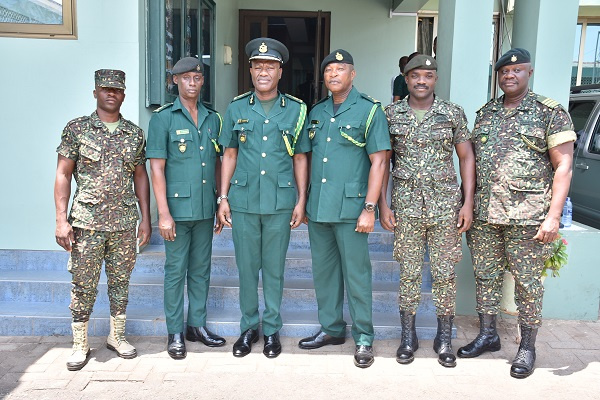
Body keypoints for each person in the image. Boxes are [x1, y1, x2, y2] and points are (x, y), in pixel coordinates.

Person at [458, 48, 576, 379]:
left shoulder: (549, 112)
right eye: (504, 72)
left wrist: (553, 215)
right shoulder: (485, 113)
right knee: (485, 276)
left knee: (527, 283)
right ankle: (488, 334)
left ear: (529, 72)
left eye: (517, 71)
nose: (510, 76)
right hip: (484, 214)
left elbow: (563, 165)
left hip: (528, 216)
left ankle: (527, 346)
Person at [379, 55, 475, 368]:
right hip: (406, 207)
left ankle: (443, 338)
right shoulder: (390, 114)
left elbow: (466, 159)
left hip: (445, 208)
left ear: (435, 79)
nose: (422, 81)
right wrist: (382, 203)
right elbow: (382, 162)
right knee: (408, 273)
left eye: (428, 76)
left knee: (445, 274)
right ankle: (409, 338)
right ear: (405, 79)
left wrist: (467, 202)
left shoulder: (452, 113)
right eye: (416, 75)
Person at [298, 49, 391, 368]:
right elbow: (307, 159)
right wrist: (303, 200)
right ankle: (332, 329)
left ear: (353, 74)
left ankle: (364, 337)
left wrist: (371, 207)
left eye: (340, 69)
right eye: (328, 70)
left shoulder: (369, 111)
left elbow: (379, 161)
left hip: (353, 209)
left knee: (357, 275)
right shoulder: (317, 112)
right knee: (324, 274)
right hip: (320, 207)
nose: (333, 74)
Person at [218, 38, 309, 359]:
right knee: (246, 267)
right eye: (258, 66)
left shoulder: (297, 110)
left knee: (273, 269)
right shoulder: (237, 107)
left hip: (280, 201)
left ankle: (271, 330)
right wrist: (223, 197)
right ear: (251, 70)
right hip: (242, 200)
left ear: (280, 71)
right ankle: (248, 328)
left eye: (270, 66)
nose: (263, 72)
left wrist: (300, 201)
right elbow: (229, 153)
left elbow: (300, 158)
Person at [54, 69, 151, 371]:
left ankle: (116, 336)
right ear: (95, 92)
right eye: (105, 88)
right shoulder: (77, 129)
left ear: (124, 94)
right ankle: (80, 343)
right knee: (83, 285)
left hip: (123, 223)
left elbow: (140, 177)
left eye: (117, 90)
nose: (111, 94)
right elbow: (63, 174)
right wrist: (61, 220)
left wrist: (145, 219)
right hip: (86, 222)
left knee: (121, 283)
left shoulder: (134, 134)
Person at [147, 57, 226, 360]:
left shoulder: (212, 118)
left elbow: (218, 163)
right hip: (177, 212)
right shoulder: (163, 118)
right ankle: (175, 332)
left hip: (205, 209)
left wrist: (221, 201)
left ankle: (197, 326)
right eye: (186, 78)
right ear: (175, 81)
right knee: (175, 272)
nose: (192, 82)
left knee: (201, 271)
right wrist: (163, 214)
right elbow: (157, 169)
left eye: (197, 77)